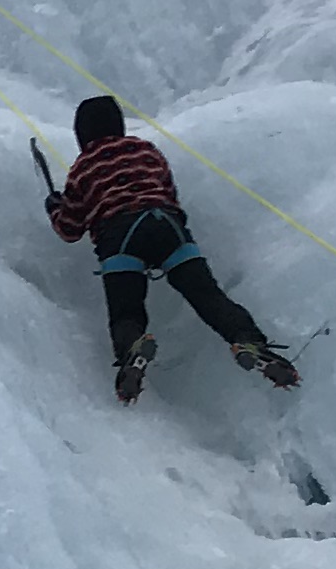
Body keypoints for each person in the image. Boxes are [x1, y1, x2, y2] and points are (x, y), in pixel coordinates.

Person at [41, 95, 296, 403]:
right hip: (167, 226)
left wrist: (55, 207)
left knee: (126, 311)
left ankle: (132, 350)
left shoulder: (81, 169)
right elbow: (169, 192)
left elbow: (70, 229)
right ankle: (249, 341)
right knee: (208, 297)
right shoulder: (147, 151)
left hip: (120, 237)